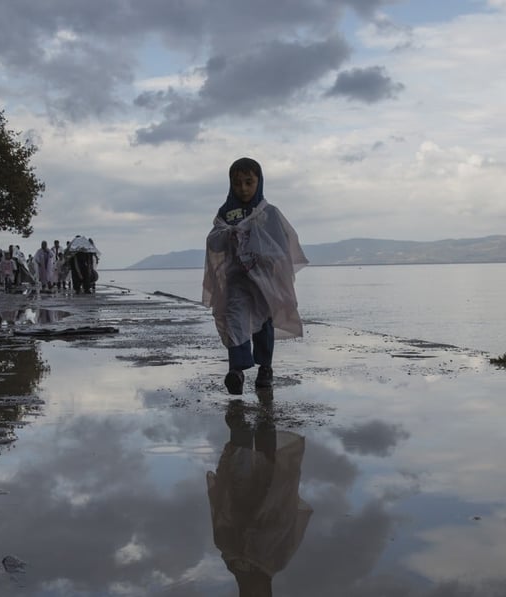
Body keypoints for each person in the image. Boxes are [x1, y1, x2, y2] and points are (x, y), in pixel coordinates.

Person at [203, 157, 308, 395]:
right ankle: (236, 371)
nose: (243, 188)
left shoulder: (268, 213)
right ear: (230, 184)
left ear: (259, 182)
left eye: (249, 182)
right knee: (234, 318)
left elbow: (281, 247)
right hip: (236, 280)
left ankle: (265, 368)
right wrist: (229, 234)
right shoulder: (226, 213)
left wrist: (256, 240)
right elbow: (214, 242)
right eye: (237, 183)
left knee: (263, 323)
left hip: (264, 281)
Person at [207, 395, 312, 596]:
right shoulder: (272, 560)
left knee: (250, 469)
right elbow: (286, 521)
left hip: (247, 505)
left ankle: (246, 431)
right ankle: (254, 427)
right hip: (259, 504)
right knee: (263, 468)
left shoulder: (245, 559)